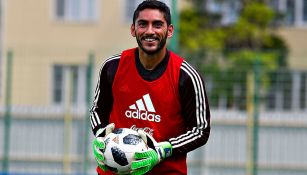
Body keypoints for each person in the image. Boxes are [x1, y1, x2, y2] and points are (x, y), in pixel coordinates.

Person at [90, 0, 211, 174]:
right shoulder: (113, 67)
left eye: (157, 25)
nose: (149, 31)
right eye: (143, 24)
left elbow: (200, 130)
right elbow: (97, 110)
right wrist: (101, 134)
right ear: (133, 30)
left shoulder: (186, 76)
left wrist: (162, 150)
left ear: (169, 31)